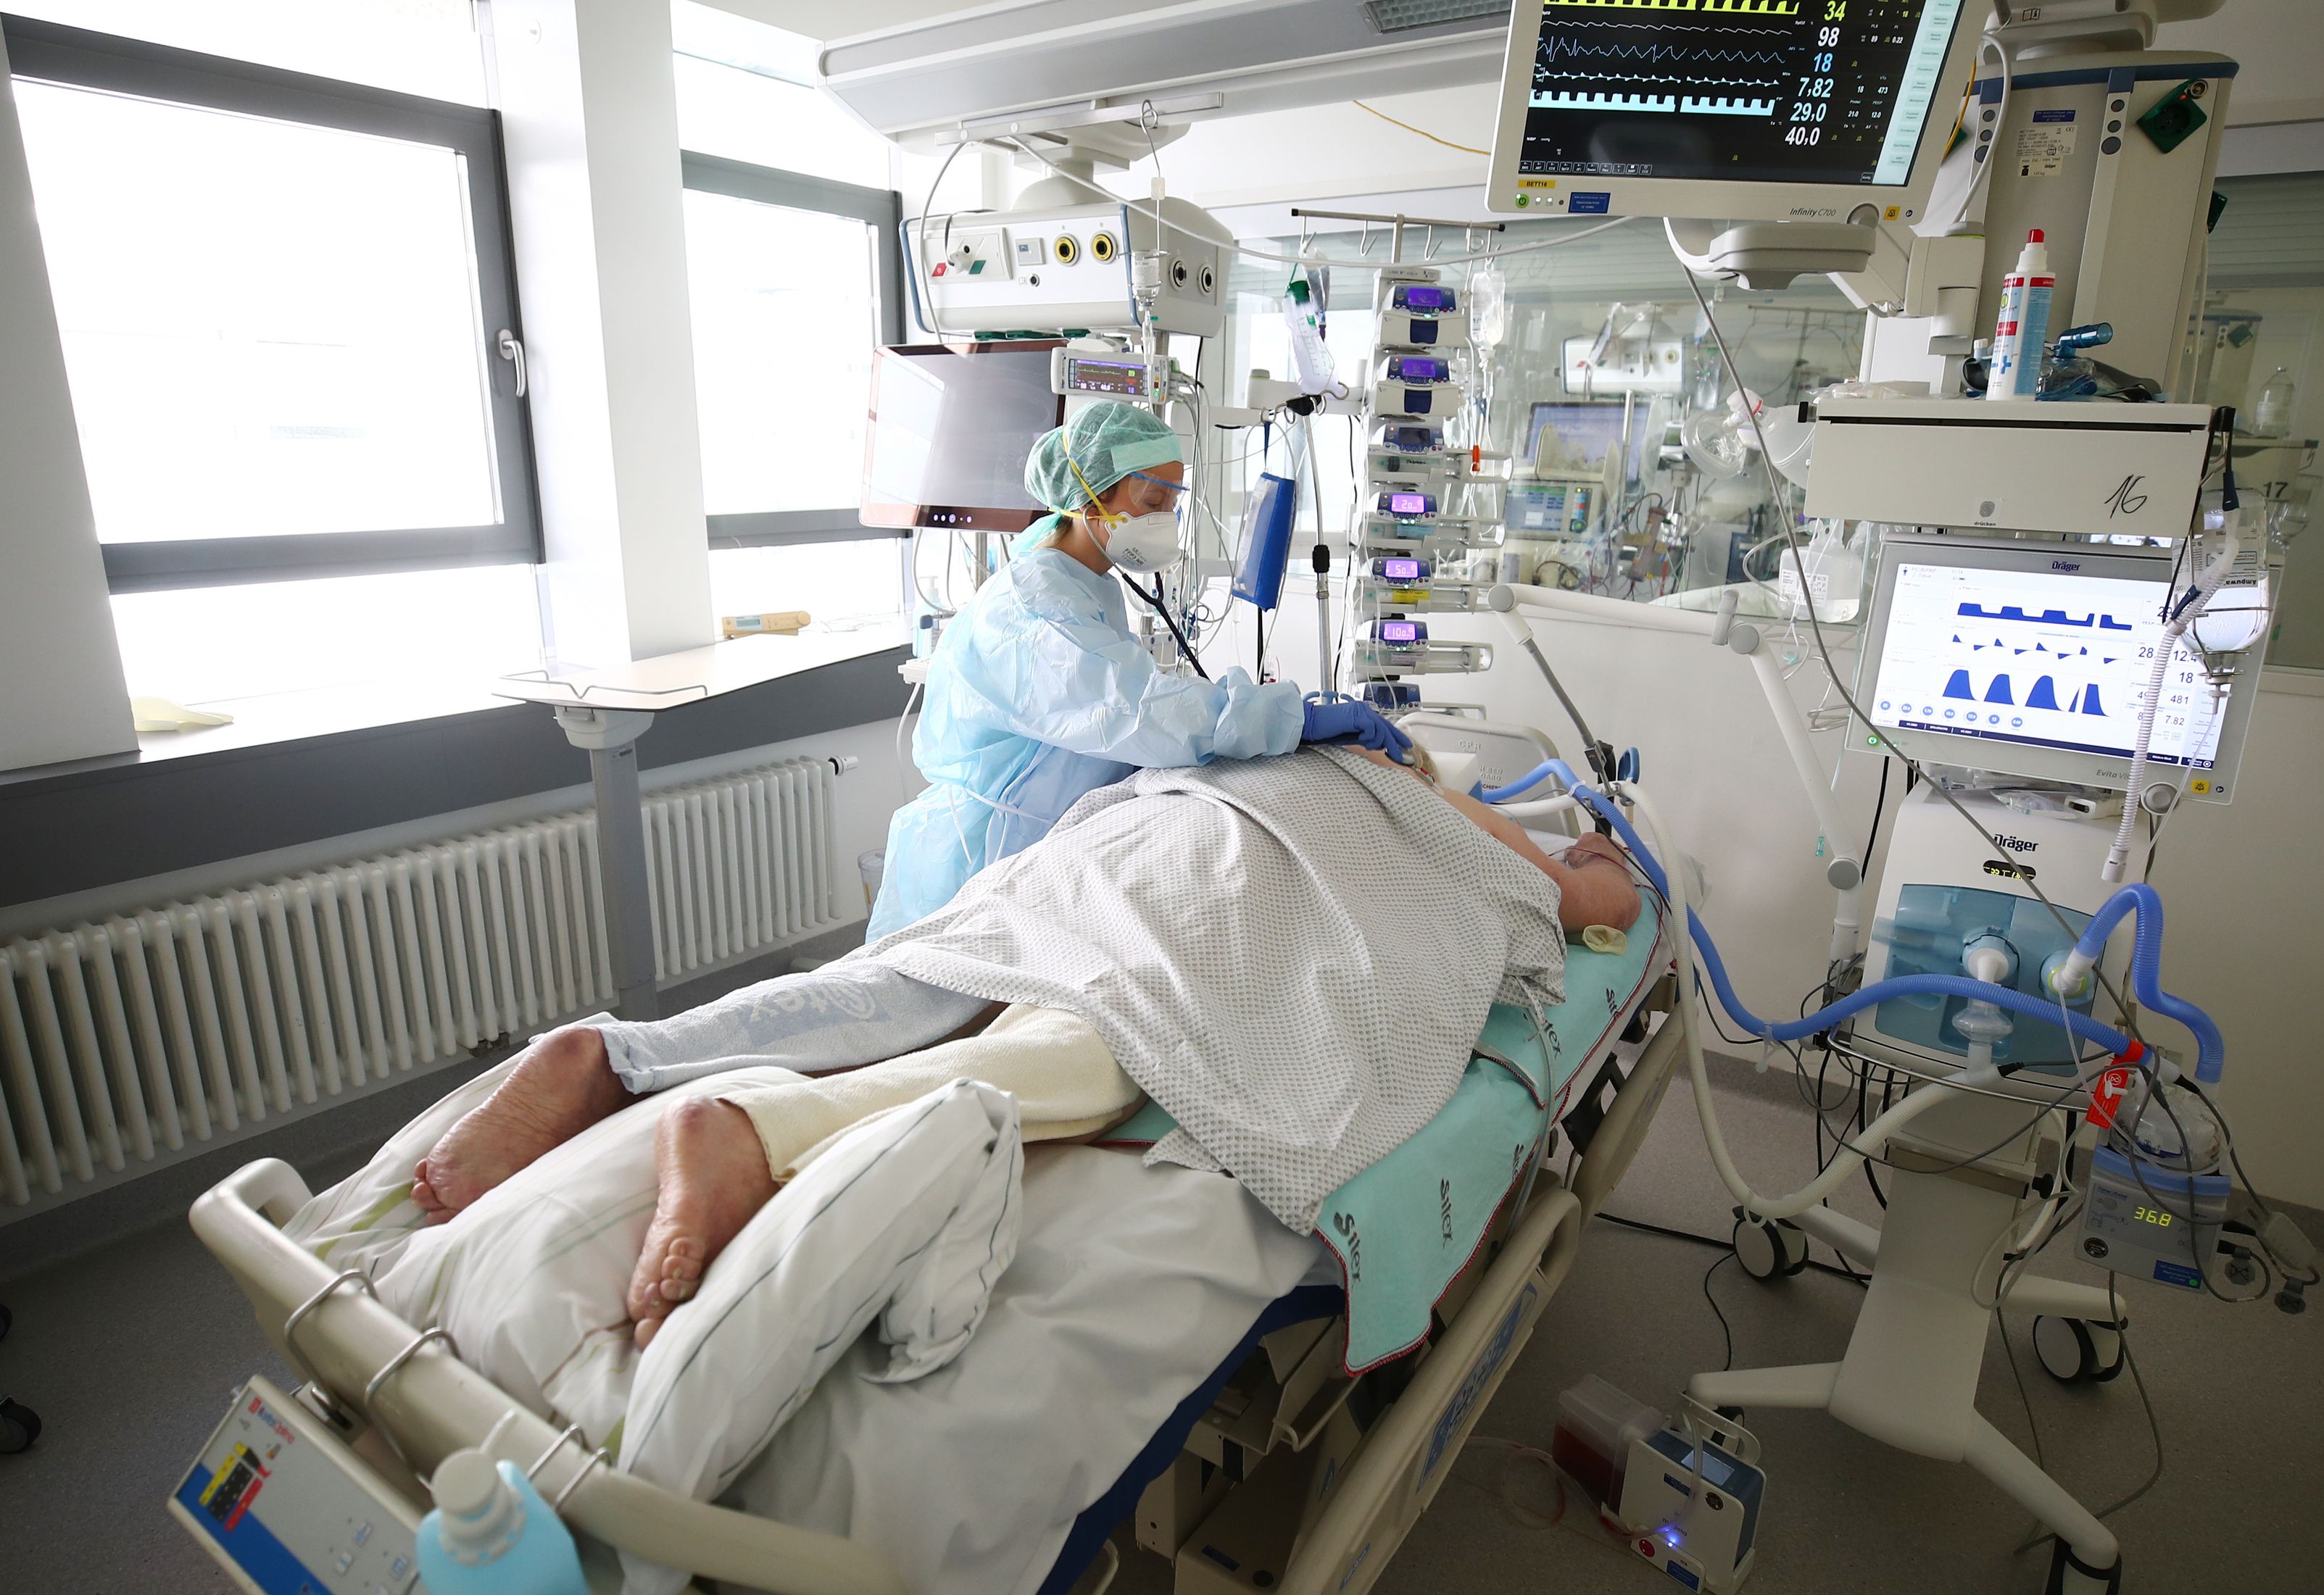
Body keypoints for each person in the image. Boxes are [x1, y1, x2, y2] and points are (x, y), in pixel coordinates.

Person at [410, 751, 1644, 1347]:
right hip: (1240, 874)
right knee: (1108, 1032)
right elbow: (1603, 904)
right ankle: (757, 1132)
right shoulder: (1428, 798)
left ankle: (619, 1053)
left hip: (1140, 836)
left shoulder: (1288, 750)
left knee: (922, 972)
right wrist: (1596, 858)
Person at [868, 400, 1407, 936]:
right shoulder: (1037, 606)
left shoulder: (1086, 582)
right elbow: (1138, 711)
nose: (1164, 519)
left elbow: (1131, 699)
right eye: (1152, 501)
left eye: (1172, 503)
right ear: (1091, 497)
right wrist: (1290, 719)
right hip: (988, 857)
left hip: (1045, 841)